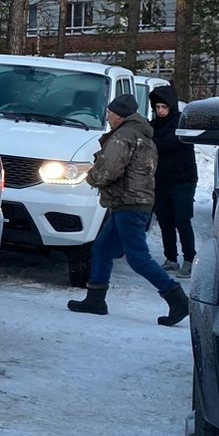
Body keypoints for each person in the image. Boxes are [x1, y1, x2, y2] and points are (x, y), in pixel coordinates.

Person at [67, 94, 190, 326]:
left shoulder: (123, 136)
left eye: (110, 113)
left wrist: (91, 176)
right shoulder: (141, 134)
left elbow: (109, 169)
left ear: (120, 115)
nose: (108, 116)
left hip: (129, 202)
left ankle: (177, 298)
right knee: (103, 248)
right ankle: (96, 299)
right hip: (133, 201)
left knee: (138, 258)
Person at [148, 84, 197, 277]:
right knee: (165, 221)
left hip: (182, 180)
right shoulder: (154, 125)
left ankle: (190, 259)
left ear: (171, 106)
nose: (160, 111)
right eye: (157, 107)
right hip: (161, 181)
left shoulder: (181, 123)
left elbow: (169, 143)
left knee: (182, 220)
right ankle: (171, 258)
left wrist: (150, 141)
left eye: (164, 107)